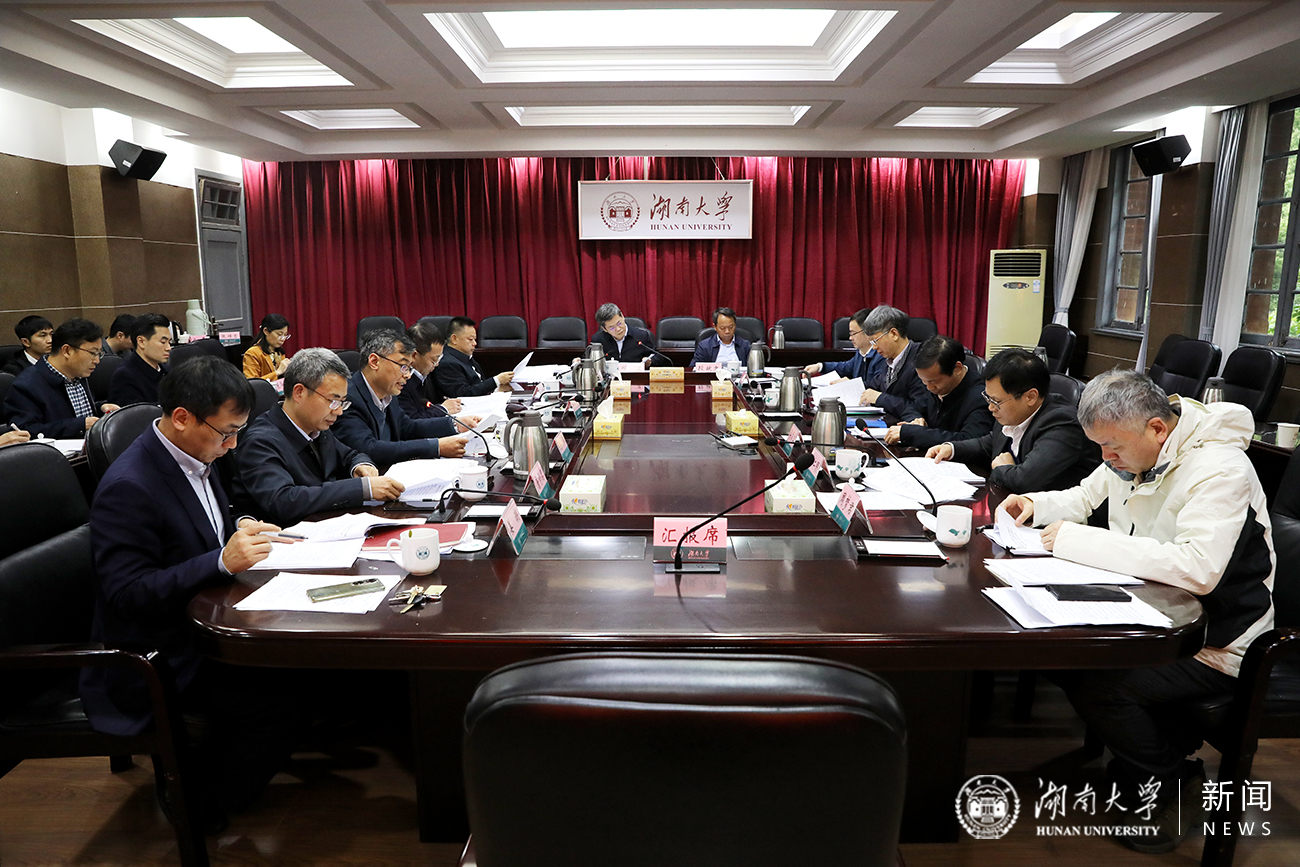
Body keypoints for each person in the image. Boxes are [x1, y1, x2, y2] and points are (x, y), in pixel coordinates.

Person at [999, 369, 1275, 853]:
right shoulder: (1134, 450)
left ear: (1157, 428)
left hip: (1220, 641)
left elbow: (1198, 569)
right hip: (1153, 616)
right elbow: (1085, 497)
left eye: (1112, 447)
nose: (1106, 458)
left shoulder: (1220, 469)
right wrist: (1033, 504)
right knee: (1056, 656)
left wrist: (1077, 539)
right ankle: (1158, 758)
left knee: (1101, 687)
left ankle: (1173, 783)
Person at [79, 356, 298, 833]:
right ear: (182, 417)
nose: (232, 445)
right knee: (279, 700)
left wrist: (237, 528)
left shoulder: (195, 453)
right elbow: (127, 593)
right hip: (158, 651)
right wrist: (220, 561)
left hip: (202, 617)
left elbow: (200, 528)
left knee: (303, 667)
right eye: (226, 433)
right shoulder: (130, 486)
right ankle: (197, 804)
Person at [234, 348, 405, 526]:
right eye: (333, 401)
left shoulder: (316, 426)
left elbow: (349, 455)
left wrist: (361, 465)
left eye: (342, 402)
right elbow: (284, 500)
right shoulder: (261, 442)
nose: (339, 411)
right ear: (299, 392)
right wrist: (362, 489)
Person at [927, 348, 1100, 493]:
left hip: (1057, 519)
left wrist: (1002, 469)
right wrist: (951, 449)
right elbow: (989, 444)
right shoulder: (1011, 412)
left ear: (1030, 397)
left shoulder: (1062, 424)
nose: (990, 407)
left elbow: (1025, 482)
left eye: (996, 401)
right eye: (988, 398)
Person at [334, 328, 476, 472]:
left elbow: (407, 427)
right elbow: (368, 448)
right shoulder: (347, 397)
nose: (408, 375)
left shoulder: (389, 392)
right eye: (403, 367)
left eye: (409, 368)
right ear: (374, 361)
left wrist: (455, 425)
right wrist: (436, 447)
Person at [2, 317, 120, 438]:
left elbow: (76, 413)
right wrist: (79, 426)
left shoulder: (78, 373)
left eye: (99, 354)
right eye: (93, 353)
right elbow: (24, 433)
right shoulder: (26, 386)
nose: (97, 361)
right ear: (67, 351)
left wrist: (100, 409)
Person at [885, 336, 993, 450]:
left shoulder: (981, 397)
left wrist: (916, 433)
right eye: (923, 381)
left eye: (933, 381)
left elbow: (968, 441)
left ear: (957, 369)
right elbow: (912, 407)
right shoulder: (936, 384)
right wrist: (916, 420)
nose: (929, 387)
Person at [855, 305, 930, 420]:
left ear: (894, 334)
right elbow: (873, 385)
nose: (874, 347)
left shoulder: (920, 361)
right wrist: (850, 386)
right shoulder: (889, 359)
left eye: (875, 341)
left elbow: (919, 408)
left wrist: (880, 398)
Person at [434, 317, 515, 398]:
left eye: (474, 339)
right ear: (454, 339)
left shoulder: (465, 357)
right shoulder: (447, 363)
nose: (475, 343)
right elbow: (463, 394)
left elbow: (479, 384)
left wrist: (496, 390)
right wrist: (496, 380)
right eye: (470, 339)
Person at [803, 307, 885, 385]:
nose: (850, 338)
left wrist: (851, 384)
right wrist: (820, 366)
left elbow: (876, 386)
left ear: (868, 332)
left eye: (853, 333)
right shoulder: (861, 353)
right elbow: (845, 368)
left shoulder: (881, 356)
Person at [399, 319, 463, 419]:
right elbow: (411, 421)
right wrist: (443, 409)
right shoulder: (401, 381)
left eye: (439, 358)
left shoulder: (426, 372)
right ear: (414, 355)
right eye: (434, 359)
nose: (437, 364)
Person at [108, 312, 172, 405]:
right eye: (163, 342)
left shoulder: (166, 371)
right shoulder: (125, 376)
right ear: (141, 342)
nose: (168, 348)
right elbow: (138, 412)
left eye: (169, 342)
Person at [590, 304, 659, 366]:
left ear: (622, 316)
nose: (618, 329)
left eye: (619, 323)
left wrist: (650, 361)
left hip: (634, 375)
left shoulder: (642, 336)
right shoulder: (598, 340)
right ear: (604, 329)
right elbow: (590, 360)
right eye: (612, 328)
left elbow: (658, 357)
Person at [242, 314, 291, 381]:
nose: (283, 339)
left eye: (285, 335)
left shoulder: (279, 352)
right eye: (279, 334)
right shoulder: (253, 353)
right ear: (266, 331)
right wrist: (277, 373)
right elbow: (252, 382)